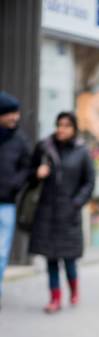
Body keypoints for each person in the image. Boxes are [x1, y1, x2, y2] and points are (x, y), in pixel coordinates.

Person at [28, 111, 95, 313]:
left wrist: (76, 203)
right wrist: (37, 174)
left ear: (74, 128)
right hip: (47, 213)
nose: (61, 129)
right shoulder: (44, 148)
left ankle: (74, 288)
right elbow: (29, 175)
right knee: (50, 259)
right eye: (59, 125)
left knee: (69, 259)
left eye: (66, 125)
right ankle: (54, 298)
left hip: (69, 213)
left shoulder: (82, 151)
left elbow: (89, 182)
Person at [0, 91, 31, 309]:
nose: (14, 117)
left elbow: (27, 167)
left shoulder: (20, 140)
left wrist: (14, 184)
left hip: (7, 204)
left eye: (16, 113)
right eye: (10, 113)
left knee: (2, 251)